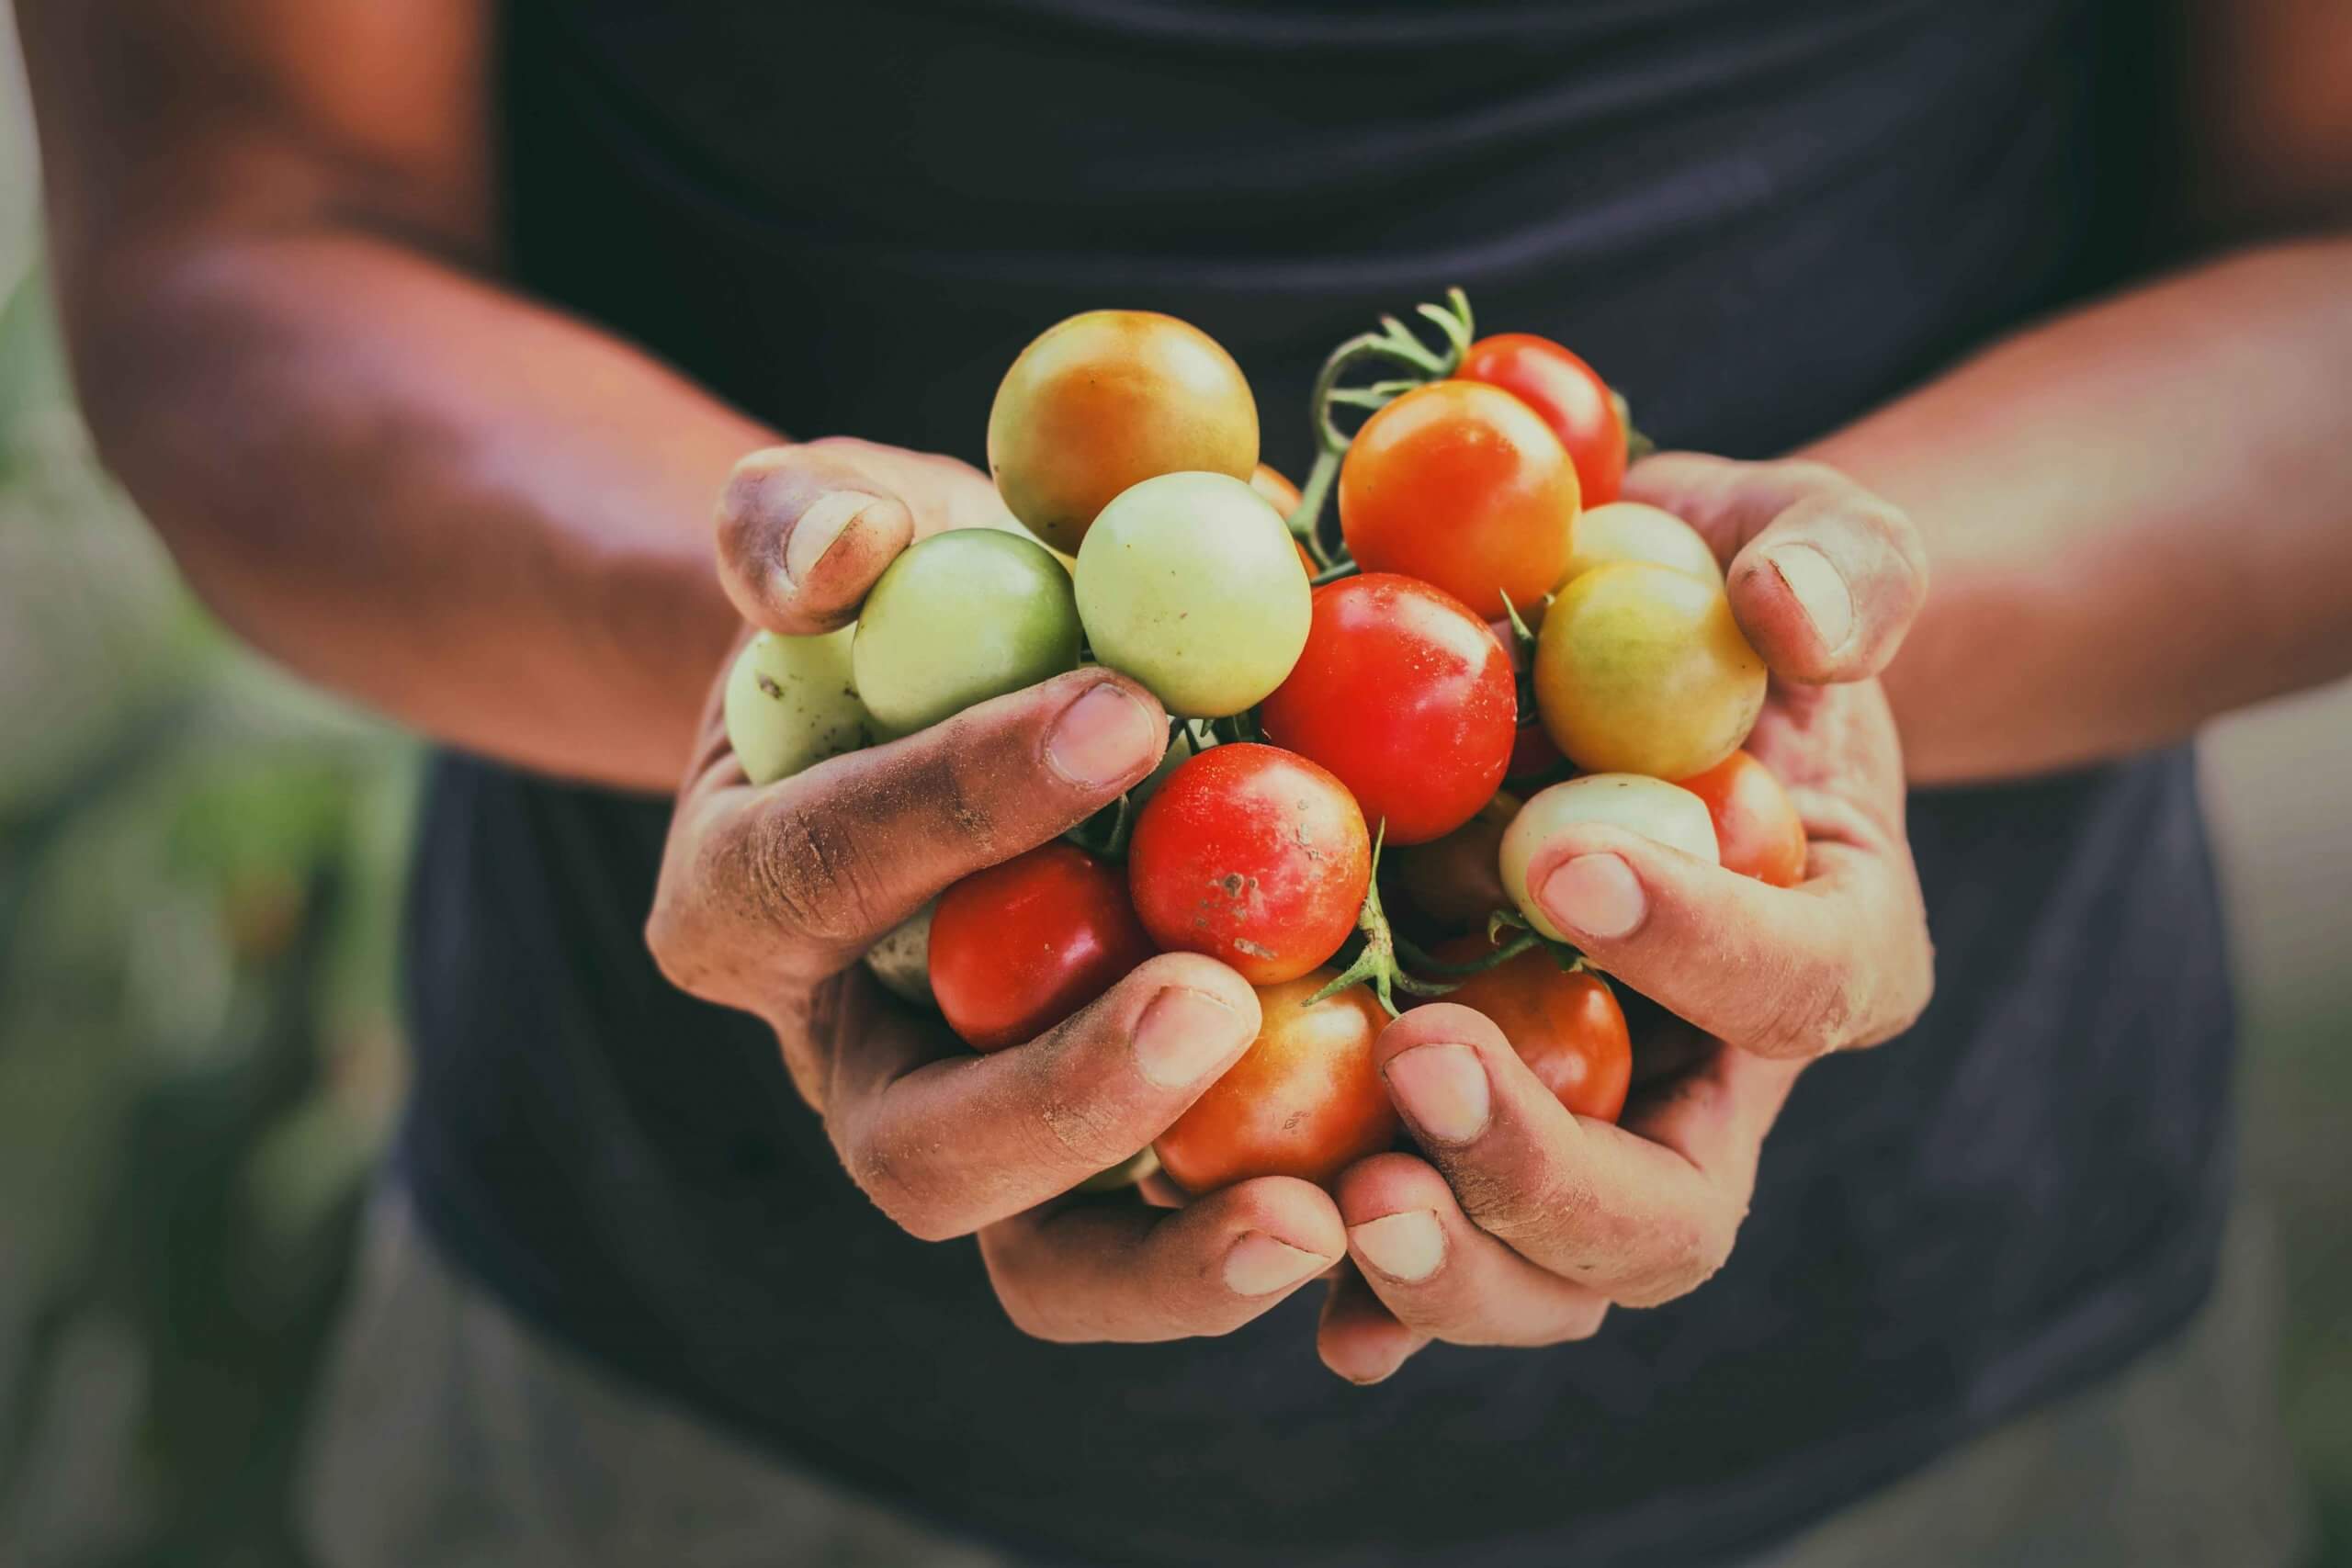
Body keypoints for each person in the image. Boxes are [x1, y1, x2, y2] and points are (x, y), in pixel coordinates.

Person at [17, 0, 2347, 1563]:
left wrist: (1835, 654)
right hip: (689, 1409)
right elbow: (248, 236)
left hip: (1977, 1400)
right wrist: (812, 664)